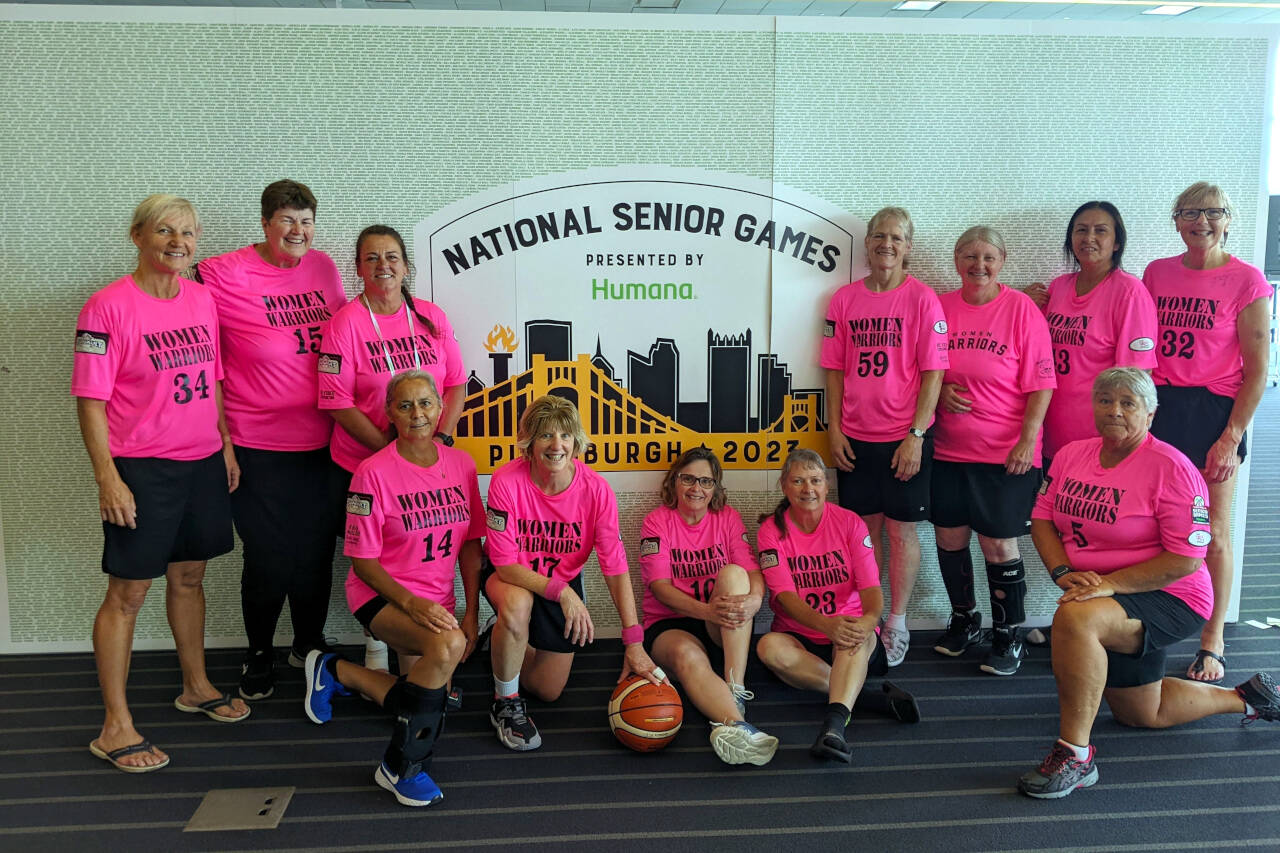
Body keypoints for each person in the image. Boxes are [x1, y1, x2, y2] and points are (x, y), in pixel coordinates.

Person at [1019, 368, 1278, 799]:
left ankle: (1075, 756)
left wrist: (1110, 584)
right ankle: (1249, 697)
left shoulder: (1172, 468)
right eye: (1105, 400)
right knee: (1142, 712)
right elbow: (1043, 517)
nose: (1114, 410)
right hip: (1110, 593)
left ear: (1151, 414)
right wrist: (1062, 571)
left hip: (1171, 595)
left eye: (1128, 403)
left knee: (1075, 619)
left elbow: (1186, 559)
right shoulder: (1070, 455)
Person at [73, 194, 249, 773]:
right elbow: (90, 400)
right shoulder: (106, 308)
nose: (179, 242)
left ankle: (195, 686)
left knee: (191, 575)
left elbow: (213, 378)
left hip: (202, 462)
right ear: (138, 237)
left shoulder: (202, 299)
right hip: (141, 469)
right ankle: (114, 726)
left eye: (188, 233)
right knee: (128, 595)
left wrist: (224, 443)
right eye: (165, 231)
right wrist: (108, 477)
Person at [192, 179, 348, 699]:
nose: (297, 231)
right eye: (286, 220)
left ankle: (308, 645)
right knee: (268, 556)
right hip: (256, 445)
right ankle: (258, 651)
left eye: (306, 221)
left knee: (317, 552)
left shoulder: (323, 267)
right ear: (264, 223)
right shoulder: (222, 272)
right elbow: (183, 314)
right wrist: (221, 441)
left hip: (325, 442)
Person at [302, 370, 483, 807]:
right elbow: (362, 562)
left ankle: (335, 671)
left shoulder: (462, 465)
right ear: (390, 414)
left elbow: (470, 544)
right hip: (382, 596)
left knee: (424, 696)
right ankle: (400, 766)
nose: (417, 413)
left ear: (441, 408)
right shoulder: (371, 473)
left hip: (437, 602)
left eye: (425, 403)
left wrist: (472, 612)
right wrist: (411, 603)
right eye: (405, 405)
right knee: (445, 652)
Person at [318, 224, 466, 674]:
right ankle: (374, 654)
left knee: (413, 549)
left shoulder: (430, 317)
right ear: (358, 268)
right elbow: (335, 400)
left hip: (426, 459)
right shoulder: (344, 323)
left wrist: (439, 439)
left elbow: (456, 383)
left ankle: (405, 656)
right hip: (362, 463)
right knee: (377, 555)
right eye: (372, 258)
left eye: (391, 257)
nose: (383, 265)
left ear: (405, 266)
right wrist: (392, 448)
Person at [1142, 182, 1271, 685]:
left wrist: (1231, 436)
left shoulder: (1247, 279)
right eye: (1190, 212)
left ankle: (1212, 638)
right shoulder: (1157, 272)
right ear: (1176, 221)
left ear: (1228, 220)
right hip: (1160, 406)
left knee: (1212, 529)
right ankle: (1153, 617)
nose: (1201, 221)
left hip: (1215, 411)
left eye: (1213, 212)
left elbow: (1257, 371)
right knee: (1154, 524)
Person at [483, 395, 661, 751]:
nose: (556, 445)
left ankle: (503, 637)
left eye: (565, 435)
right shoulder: (506, 481)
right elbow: (505, 564)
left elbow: (615, 567)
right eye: (545, 435)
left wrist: (634, 641)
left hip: (560, 581)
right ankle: (505, 703)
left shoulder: (596, 490)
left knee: (548, 690)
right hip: (514, 578)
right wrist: (563, 593)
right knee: (517, 605)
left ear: (576, 440)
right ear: (529, 441)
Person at [821, 206, 949, 666]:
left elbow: (934, 373)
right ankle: (869, 619)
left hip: (903, 438)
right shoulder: (844, 299)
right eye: (879, 236)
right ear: (868, 242)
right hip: (855, 436)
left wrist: (916, 434)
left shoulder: (923, 300)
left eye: (896, 237)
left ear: (908, 246)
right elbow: (834, 369)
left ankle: (897, 621)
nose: (886, 244)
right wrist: (835, 429)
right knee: (864, 532)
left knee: (902, 530)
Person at [930, 227, 1055, 675]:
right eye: (969, 256)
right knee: (949, 539)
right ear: (956, 260)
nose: (978, 265)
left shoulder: (1020, 309)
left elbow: (1042, 383)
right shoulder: (939, 307)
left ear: (1001, 261)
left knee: (999, 545)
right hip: (948, 451)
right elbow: (923, 368)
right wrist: (939, 392)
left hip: (1006, 454)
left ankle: (1008, 634)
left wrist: (1028, 440)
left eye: (988, 257)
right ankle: (965, 619)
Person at [756, 449, 921, 765]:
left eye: (815, 480)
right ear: (784, 486)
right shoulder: (770, 531)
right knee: (767, 648)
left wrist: (868, 622)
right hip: (800, 636)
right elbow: (785, 597)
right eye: (798, 481)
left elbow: (871, 589)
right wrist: (825, 625)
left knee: (855, 635)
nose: (808, 489)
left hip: (848, 632)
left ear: (827, 485)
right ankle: (865, 697)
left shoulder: (849, 522)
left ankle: (834, 728)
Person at [639, 448, 778, 765]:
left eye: (705, 481)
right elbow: (660, 588)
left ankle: (735, 689)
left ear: (715, 487)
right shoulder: (657, 522)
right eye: (688, 479)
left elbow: (752, 573)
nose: (696, 488)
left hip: (721, 627)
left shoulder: (727, 518)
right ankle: (739, 726)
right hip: (671, 624)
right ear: (674, 481)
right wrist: (706, 611)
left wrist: (756, 600)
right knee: (688, 656)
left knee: (734, 575)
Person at [1026, 202, 1158, 463]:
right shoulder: (1058, 287)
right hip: (1050, 431)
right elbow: (1031, 350)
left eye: (1100, 230)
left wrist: (1118, 435)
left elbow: (1136, 377)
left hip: (1100, 437)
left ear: (1116, 243)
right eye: (1081, 230)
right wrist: (1022, 303)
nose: (1089, 238)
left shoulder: (1130, 293)